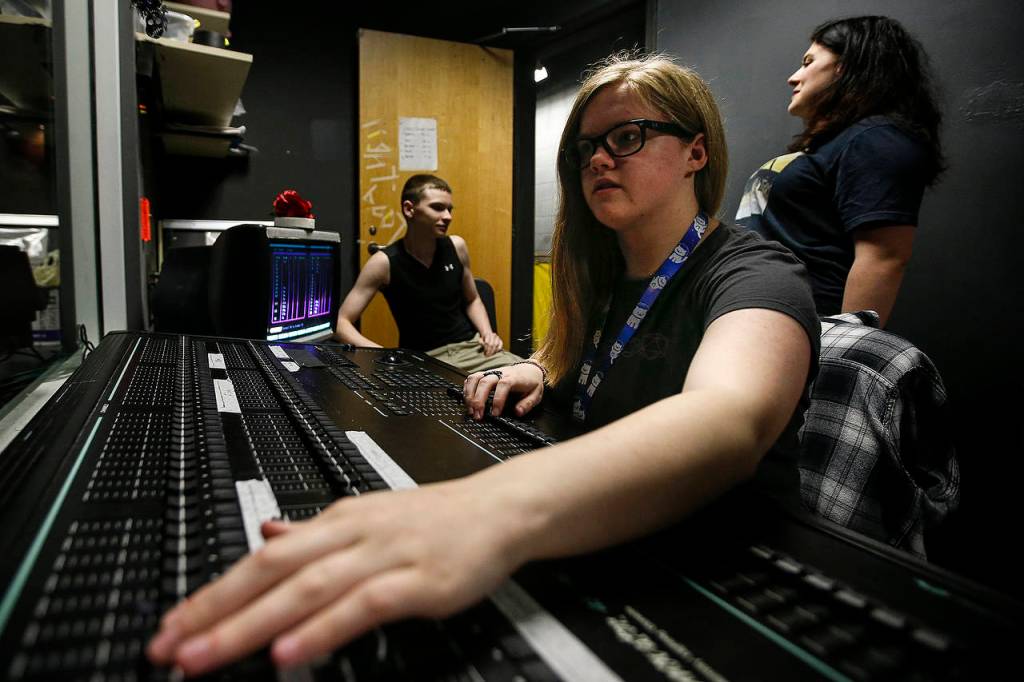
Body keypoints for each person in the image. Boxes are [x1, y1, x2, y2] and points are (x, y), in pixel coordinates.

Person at [146, 53, 820, 676]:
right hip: (626, 541)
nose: (598, 161)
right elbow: (608, 374)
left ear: (695, 151)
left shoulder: (755, 271)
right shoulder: (605, 279)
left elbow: (730, 417)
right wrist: (543, 368)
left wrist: (486, 511)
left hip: (724, 567)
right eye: (587, 146)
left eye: (627, 137)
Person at [736, 16, 944, 326]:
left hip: (804, 329)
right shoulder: (828, 146)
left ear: (844, 67)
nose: (793, 77)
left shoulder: (876, 138)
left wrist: (840, 347)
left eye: (808, 62)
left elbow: (884, 258)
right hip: (754, 316)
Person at [334, 174, 521, 372]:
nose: (448, 216)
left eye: (449, 209)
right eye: (438, 208)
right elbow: (340, 322)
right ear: (409, 209)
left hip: (473, 350)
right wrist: (385, 354)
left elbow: (473, 299)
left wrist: (487, 332)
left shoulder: (457, 246)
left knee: (536, 379)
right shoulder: (384, 262)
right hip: (425, 360)